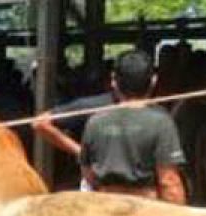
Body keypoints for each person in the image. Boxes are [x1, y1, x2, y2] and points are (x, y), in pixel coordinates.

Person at [80, 49, 187, 204]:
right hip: (145, 209)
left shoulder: (95, 121)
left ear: (113, 82)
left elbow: (88, 174)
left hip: (104, 207)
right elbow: (168, 181)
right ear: (153, 81)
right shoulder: (161, 122)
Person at [31, 65, 114, 186]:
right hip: (97, 180)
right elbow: (40, 122)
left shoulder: (151, 108)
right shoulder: (91, 105)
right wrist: (81, 152)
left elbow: (40, 122)